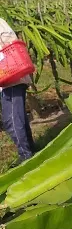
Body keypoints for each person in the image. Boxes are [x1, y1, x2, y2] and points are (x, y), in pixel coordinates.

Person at [0, 18, 35, 163]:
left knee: (12, 120)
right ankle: (32, 151)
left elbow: (10, 41)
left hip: (13, 78)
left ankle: (26, 157)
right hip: (7, 78)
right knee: (19, 118)